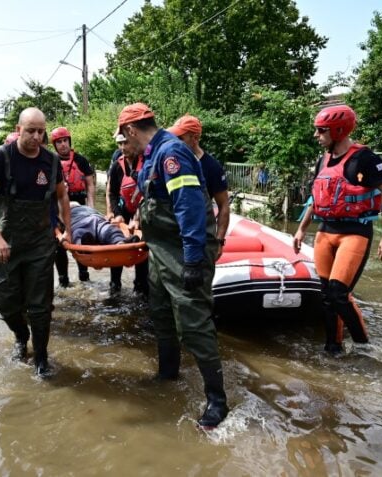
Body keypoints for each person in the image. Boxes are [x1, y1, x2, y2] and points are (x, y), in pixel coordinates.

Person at [117, 102, 228, 430]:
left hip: (183, 253)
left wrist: (194, 260)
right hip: (160, 252)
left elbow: (190, 208)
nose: (124, 146)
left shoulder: (171, 155)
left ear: (131, 130)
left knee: (194, 324)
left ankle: (217, 401)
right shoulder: (151, 155)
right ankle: (167, 375)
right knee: (162, 315)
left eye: (124, 138)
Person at [294, 105, 382, 355]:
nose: (316, 135)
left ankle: (365, 347)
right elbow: (316, 197)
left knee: (338, 294)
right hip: (325, 231)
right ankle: (333, 348)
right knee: (326, 296)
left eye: (321, 131)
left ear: (338, 130)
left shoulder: (364, 158)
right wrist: (301, 230)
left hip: (355, 232)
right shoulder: (322, 160)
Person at [0, 107, 71, 377]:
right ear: (18, 130)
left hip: (39, 244)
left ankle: (41, 358)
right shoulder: (0, 158)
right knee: (3, 300)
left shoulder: (50, 163)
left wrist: (67, 230)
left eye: (41, 131)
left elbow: (62, 197)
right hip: (6, 243)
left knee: (40, 306)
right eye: (30, 131)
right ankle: (19, 336)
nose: (36, 137)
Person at [168, 114, 230, 260]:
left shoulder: (212, 167)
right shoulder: (172, 163)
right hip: (174, 234)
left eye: (180, 138)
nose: (174, 142)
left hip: (200, 235)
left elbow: (224, 205)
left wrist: (219, 241)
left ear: (195, 138)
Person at [50, 127, 96, 286]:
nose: (63, 144)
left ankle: (84, 276)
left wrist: (91, 208)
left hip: (80, 207)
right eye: (59, 142)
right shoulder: (50, 161)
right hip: (58, 209)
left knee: (80, 241)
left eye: (65, 141)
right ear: (55, 145)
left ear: (69, 141)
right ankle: (63, 280)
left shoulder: (80, 160)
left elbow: (90, 185)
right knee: (59, 245)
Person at [107, 133, 149, 295]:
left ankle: (141, 285)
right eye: (120, 144)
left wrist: (138, 217)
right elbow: (112, 193)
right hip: (124, 210)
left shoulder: (146, 163)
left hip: (144, 210)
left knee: (142, 248)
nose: (123, 147)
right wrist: (117, 214)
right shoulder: (117, 166)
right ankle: (114, 284)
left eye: (126, 143)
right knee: (117, 245)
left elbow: (148, 193)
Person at [68, 202, 138, 245]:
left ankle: (83, 244)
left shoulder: (67, 212)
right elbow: (105, 217)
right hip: (96, 220)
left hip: (81, 224)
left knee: (78, 234)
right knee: (109, 230)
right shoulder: (87, 208)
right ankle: (119, 241)